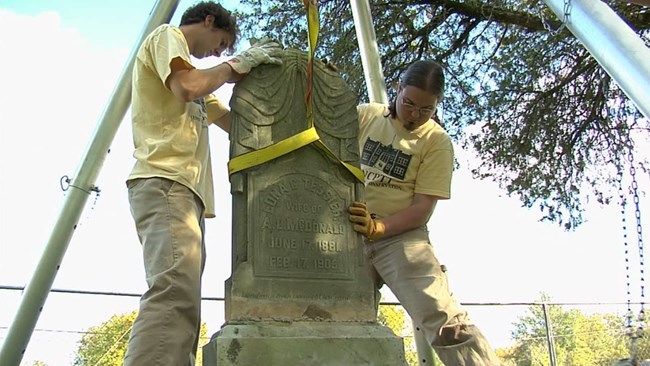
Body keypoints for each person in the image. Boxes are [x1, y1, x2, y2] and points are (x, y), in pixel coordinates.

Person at [123, 2, 282, 365]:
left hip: (184, 192)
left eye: (225, 50)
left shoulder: (197, 76)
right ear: (208, 20)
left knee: (185, 296)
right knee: (173, 290)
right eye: (221, 42)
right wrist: (236, 64)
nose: (220, 52)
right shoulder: (167, 38)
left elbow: (235, 125)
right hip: (164, 180)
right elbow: (188, 87)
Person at [348, 60, 502, 365]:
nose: (415, 115)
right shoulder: (367, 115)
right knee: (344, 319)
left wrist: (378, 229)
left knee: (442, 317)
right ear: (398, 89)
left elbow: (421, 210)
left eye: (426, 109)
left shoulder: (437, 142)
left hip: (400, 239)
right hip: (346, 234)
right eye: (409, 104)